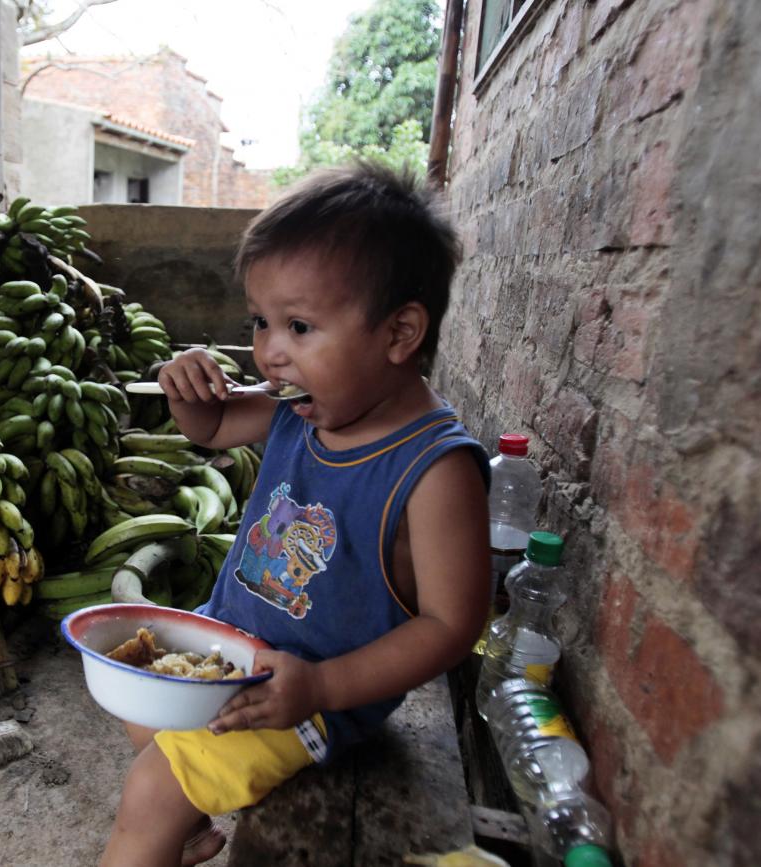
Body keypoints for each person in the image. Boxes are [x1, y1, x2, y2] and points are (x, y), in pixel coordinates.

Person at [100, 161, 492, 867]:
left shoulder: (433, 470)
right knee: (142, 706)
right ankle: (185, 825)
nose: (270, 352)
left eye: (299, 325)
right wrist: (186, 387)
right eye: (261, 322)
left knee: (151, 791)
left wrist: (322, 686)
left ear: (399, 333)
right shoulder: (304, 406)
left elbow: (452, 625)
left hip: (316, 693)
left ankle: (161, 826)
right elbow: (213, 428)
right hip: (238, 650)